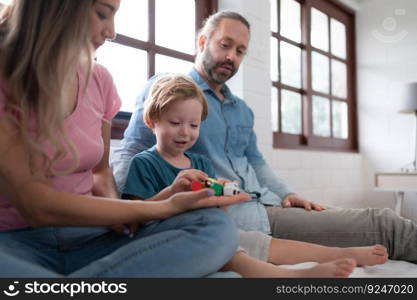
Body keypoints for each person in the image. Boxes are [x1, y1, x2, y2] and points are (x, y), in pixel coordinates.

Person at [111, 11, 417, 263]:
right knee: (383, 223)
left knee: (370, 219)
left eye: (240, 51)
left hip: (268, 205)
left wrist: (286, 193)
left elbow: (255, 161)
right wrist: (129, 212)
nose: (231, 56)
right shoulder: (167, 91)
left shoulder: (241, 109)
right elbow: (131, 150)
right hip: (234, 216)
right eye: (225, 45)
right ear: (203, 42)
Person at [0, 0, 248, 278]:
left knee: (215, 226)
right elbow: (37, 206)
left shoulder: (99, 79)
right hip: (12, 243)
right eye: (103, 14)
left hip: (88, 236)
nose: (112, 31)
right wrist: (160, 207)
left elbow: (101, 171)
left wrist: (127, 216)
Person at [121, 74, 391, 277]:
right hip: (175, 239)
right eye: (175, 123)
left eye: (193, 125)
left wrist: (225, 195)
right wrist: (172, 191)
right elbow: (135, 217)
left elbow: (215, 208)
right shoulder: (144, 163)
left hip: (212, 230)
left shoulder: (201, 161)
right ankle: (296, 276)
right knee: (234, 255)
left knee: (264, 243)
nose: (185, 132)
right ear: (151, 121)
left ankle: (341, 253)